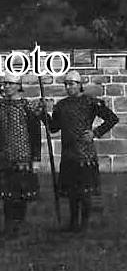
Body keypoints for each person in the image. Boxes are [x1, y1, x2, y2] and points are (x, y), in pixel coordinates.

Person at [48, 70, 120, 232]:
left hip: (85, 153)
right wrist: (44, 115)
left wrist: (95, 132)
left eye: (72, 84)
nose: (69, 87)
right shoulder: (61, 105)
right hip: (69, 154)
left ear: (80, 85)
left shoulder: (91, 102)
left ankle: (84, 225)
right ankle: (74, 224)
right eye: (66, 84)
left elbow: (112, 118)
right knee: (73, 193)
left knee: (85, 192)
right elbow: (53, 128)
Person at [0, 73, 44, 237]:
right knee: (7, 195)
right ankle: (9, 227)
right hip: (3, 157)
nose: (5, 87)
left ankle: (19, 225)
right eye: (4, 84)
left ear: (18, 86)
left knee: (21, 195)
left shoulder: (28, 108)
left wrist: (36, 158)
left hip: (23, 156)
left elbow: (35, 134)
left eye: (9, 84)